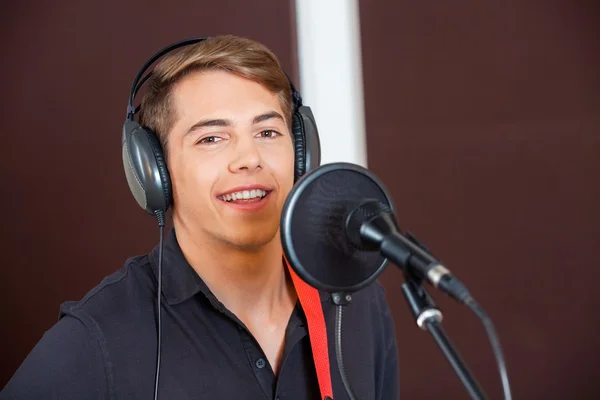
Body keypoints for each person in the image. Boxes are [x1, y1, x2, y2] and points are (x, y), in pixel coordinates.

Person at [1, 35, 399, 399]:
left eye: (267, 133)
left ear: (301, 153)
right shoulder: (99, 337)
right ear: (155, 172)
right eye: (211, 138)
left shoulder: (357, 303)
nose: (249, 159)